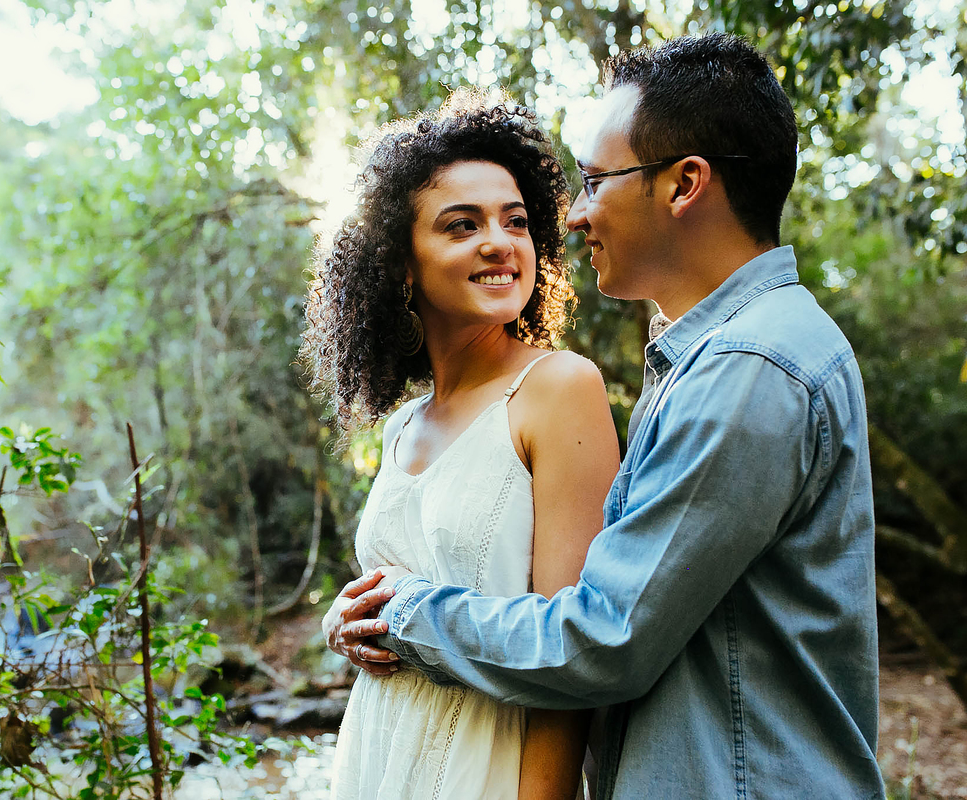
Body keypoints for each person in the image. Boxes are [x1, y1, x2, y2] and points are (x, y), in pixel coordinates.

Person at [324, 34, 887, 799]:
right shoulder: (709, 359)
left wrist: (406, 617)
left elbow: (605, 638)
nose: (577, 217)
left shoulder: (751, 368)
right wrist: (365, 618)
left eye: (594, 181)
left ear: (685, 184)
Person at [303, 89, 620, 799]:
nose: (499, 242)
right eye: (461, 224)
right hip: (379, 752)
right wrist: (344, 623)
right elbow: (400, 586)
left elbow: (568, 660)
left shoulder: (559, 388)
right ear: (402, 265)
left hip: (487, 767)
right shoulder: (401, 426)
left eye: (515, 222)